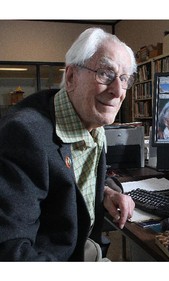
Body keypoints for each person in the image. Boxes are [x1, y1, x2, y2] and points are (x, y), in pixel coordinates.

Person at [0, 27, 136, 261]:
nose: (117, 91)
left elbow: (80, 173)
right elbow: (11, 251)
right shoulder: (23, 134)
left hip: (87, 249)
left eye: (124, 79)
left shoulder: (92, 119)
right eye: (105, 73)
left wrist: (107, 191)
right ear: (72, 77)